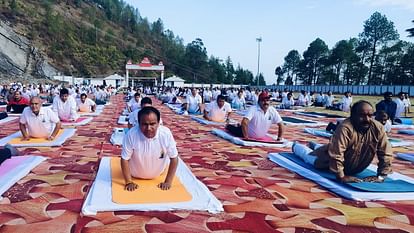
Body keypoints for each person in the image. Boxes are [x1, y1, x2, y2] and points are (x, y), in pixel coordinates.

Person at [293, 101, 392, 183]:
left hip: (354, 166)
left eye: (370, 115)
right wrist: (341, 176)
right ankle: (296, 146)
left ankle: (316, 146)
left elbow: (385, 152)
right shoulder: (345, 128)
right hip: (326, 162)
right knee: (307, 156)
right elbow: (336, 154)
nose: (367, 119)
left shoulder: (377, 128)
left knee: (329, 147)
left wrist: (381, 176)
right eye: (362, 115)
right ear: (353, 116)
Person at [121, 106, 178, 191]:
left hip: (158, 174)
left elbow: (174, 158)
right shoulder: (131, 134)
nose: (148, 128)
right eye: (144, 124)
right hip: (134, 175)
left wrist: (168, 182)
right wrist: (128, 182)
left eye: (152, 124)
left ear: (158, 123)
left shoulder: (165, 134)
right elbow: (124, 159)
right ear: (138, 123)